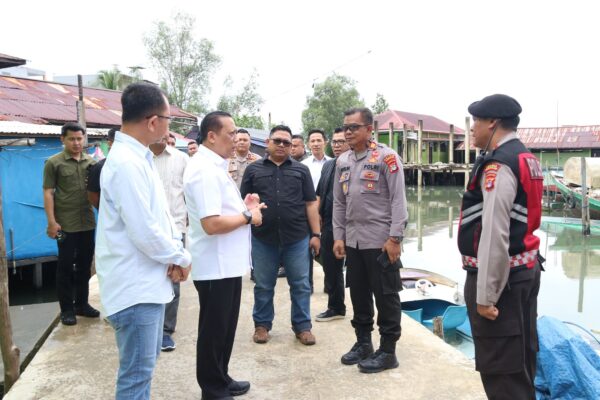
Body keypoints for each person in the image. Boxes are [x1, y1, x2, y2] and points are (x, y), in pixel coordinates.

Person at [95, 82, 191, 400]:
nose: (168, 128)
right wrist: (180, 257)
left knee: (141, 373)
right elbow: (145, 232)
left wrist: (173, 253)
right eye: (168, 120)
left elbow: (158, 220)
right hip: (136, 291)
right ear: (153, 121)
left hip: (145, 285)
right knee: (136, 378)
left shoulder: (138, 158)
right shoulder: (126, 164)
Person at [458, 94, 543, 400]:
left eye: (476, 122)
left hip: (502, 281)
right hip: (525, 270)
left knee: (502, 373)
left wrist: (485, 295)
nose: (473, 129)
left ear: (492, 122)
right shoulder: (526, 158)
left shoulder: (499, 164)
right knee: (521, 362)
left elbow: (495, 233)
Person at [184, 111, 265, 400]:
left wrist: (244, 205)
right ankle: (212, 388)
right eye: (231, 134)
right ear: (211, 136)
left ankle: (221, 376)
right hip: (215, 265)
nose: (236, 139)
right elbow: (211, 223)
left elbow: (220, 210)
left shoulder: (215, 166)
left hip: (226, 264)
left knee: (225, 328)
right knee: (213, 330)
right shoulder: (204, 170)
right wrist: (248, 216)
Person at [333, 107, 408, 373]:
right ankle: (363, 343)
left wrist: (395, 238)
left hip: (380, 242)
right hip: (353, 242)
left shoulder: (386, 158)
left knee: (387, 297)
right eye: (345, 128)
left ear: (369, 129)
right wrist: (339, 236)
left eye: (354, 127)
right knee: (360, 294)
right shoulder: (343, 161)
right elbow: (339, 204)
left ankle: (388, 351)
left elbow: (398, 201)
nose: (348, 132)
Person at [241, 125, 320, 346]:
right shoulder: (253, 170)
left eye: (287, 143)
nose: (282, 146)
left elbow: (311, 204)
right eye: (278, 141)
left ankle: (302, 326)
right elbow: (243, 202)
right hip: (263, 238)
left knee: (301, 284)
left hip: (296, 237)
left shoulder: (301, 170)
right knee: (264, 285)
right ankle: (262, 325)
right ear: (268, 142)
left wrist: (316, 234)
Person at [43, 121, 99, 326]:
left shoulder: (91, 163)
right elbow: (48, 192)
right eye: (72, 139)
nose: (76, 143)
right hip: (63, 226)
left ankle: (82, 304)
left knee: (85, 265)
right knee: (65, 266)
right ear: (63, 140)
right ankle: (67, 309)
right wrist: (51, 222)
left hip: (87, 223)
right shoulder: (53, 163)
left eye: (79, 138)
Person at [149, 131, 190, 352]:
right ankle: (149, 329)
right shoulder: (138, 159)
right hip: (147, 229)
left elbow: (189, 195)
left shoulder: (181, 159)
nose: (164, 133)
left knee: (173, 278)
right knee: (148, 277)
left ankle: (165, 331)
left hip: (175, 228)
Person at [315, 128, 350, 322]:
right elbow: (319, 193)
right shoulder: (328, 166)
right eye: (334, 142)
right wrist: (317, 216)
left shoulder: (354, 164)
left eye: (341, 141)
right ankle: (336, 306)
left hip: (352, 224)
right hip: (329, 223)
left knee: (357, 269)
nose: (337, 145)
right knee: (331, 266)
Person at [87, 128, 117, 209]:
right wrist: (105, 212)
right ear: (110, 143)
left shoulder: (133, 164)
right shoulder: (99, 167)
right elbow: (92, 195)